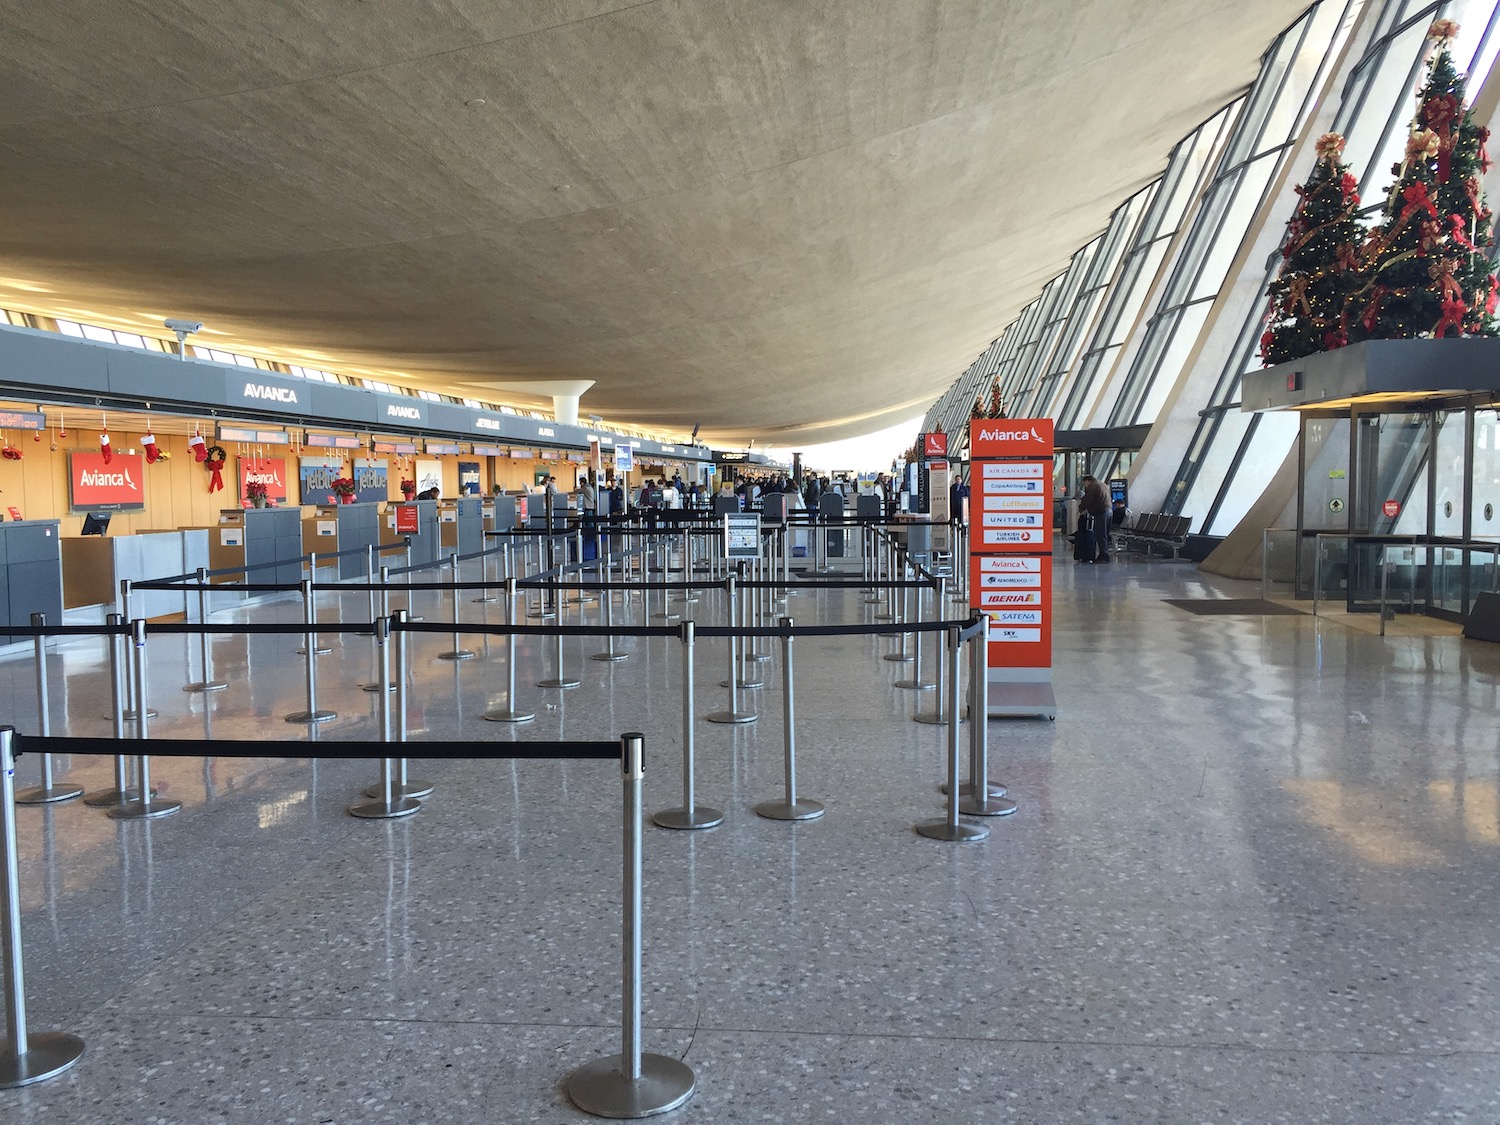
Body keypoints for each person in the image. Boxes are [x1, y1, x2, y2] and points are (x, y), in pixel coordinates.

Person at [1079, 474, 1110, 563]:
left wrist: (1080, 509)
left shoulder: (1093, 486)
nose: (1085, 486)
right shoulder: (1102, 484)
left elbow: (1088, 500)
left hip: (1101, 511)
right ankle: (1103, 553)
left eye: (1084, 483)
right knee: (1104, 534)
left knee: (1100, 534)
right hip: (1108, 510)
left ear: (1087, 481)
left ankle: (1104, 555)